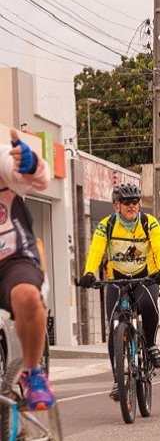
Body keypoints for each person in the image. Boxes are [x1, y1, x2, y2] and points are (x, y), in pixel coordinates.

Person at [80, 183, 160, 401]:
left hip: (144, 276)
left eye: (135, 202)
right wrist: (89, 272)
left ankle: (150, 345)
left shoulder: (149, 223)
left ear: (139, 204)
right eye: (126, 203)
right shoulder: (107, 225)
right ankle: (117, 379)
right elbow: (96, 250)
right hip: (117, 279)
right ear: (116, 206)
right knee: (114, 326)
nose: (131, 206)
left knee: (150, 304)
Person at [0, 129, 53, 410]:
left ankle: (33, 373)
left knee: (28, 297)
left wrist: (30, 164)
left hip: (12, 258)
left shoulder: (1, 156)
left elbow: (38, 180)